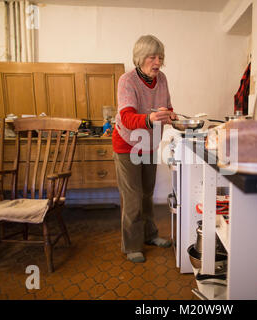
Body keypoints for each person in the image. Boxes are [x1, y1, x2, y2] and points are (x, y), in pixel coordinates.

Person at [112, 35, 178, 263]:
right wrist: (150, 118)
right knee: (133, 197)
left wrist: (170, 115)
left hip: (149, 144)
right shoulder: (127, 80)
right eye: (152, 57)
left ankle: (150, 236)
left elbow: (167, 107)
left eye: (160, 57)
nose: (157, 61)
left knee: (147, 194)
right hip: (127, 144)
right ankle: (131, 246)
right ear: (140, 58)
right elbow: (127, 118)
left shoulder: (162, 79)